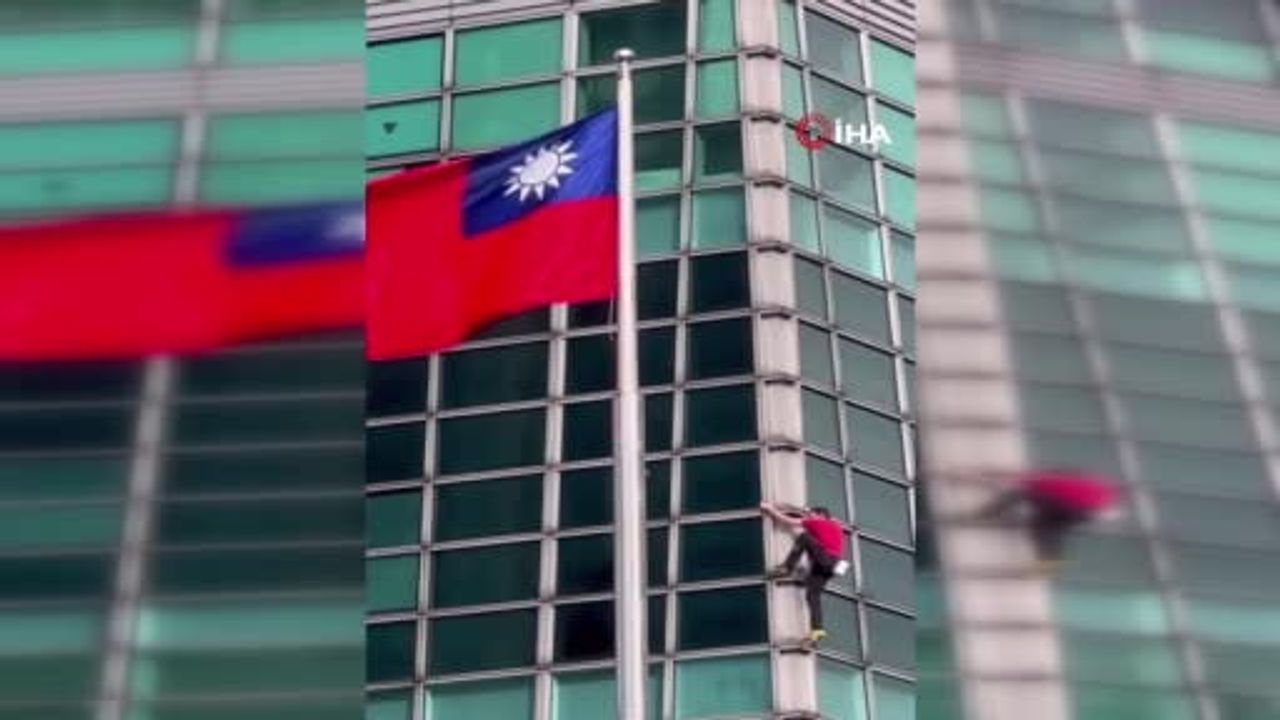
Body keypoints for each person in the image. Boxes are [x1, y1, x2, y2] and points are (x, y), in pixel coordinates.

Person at [975, 468, 1121, 574]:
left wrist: (986, 477)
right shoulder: (1072, 479)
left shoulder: (1043, 480)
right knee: (1048, 525)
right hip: (1090, 510)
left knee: (1023, 496)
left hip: (1081, 508)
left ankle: (985, 514)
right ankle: (1051, 560)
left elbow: (1017, 484)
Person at [761, 502, 847, 646]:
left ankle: (786, 568)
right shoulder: (836, 525)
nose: (809, 517)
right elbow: (828, 518)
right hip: (834, 566)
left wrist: (770, 510)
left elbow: (788, 521)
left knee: (804, 537)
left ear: (820, 516)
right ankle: (816, 632)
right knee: (812, 596)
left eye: (811, 515)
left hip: (826, 559)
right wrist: (806, 510)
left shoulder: (816, 522)